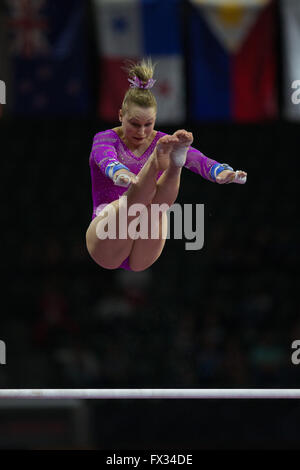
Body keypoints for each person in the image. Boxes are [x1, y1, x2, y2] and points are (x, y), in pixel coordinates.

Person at [86, 59, 247, 272]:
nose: (141, 132)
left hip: (144, 245)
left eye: (148, 124)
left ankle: (175, 164)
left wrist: (221, 172)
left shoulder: (164, 140)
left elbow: (200, 160)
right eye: (134, 124)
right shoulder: (106, 138)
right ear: (120, 116)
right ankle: (157, 161)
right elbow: (104, 157)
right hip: (107, 234)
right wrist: (119, 172)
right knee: (132, 202)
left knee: (158, 207)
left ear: (155, 119)